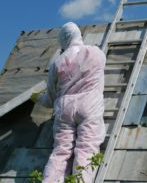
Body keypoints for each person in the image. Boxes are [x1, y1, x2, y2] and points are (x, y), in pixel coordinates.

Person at [35, 22, 106, 183]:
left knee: (60, 151)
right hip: (89, 104)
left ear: (63, 39)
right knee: (87, 149)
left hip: (64, 108)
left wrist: (38, 98)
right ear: (79, 35)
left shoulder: (57, 62)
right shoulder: (96, 53)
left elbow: (50, 99)